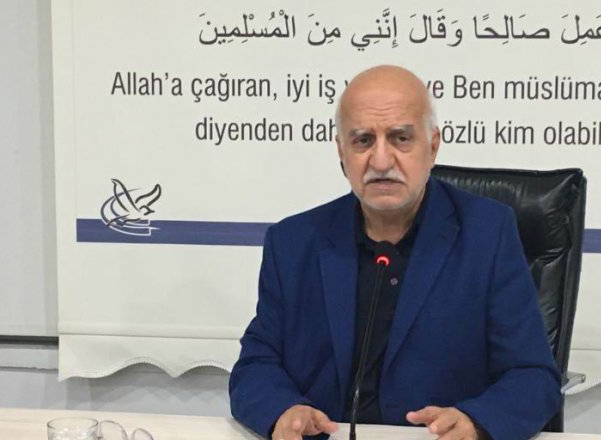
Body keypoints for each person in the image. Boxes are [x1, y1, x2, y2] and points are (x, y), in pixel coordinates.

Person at [229, 65, 561, 440]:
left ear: (432, 146)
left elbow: (533, 377)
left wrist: (475, 422)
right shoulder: (293, 242)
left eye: (401, 139)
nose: (381, 161)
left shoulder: (488, 234)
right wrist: (283, 410)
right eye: (363, 141)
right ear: (341, 152)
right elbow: (256, 366)